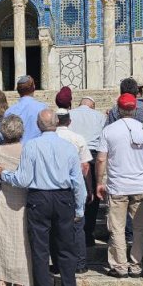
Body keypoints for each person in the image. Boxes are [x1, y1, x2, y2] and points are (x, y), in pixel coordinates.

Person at [0, 109, 86, 286]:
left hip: (39, 198)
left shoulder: (32, 146)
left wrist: (4, 175)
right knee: (66, 250)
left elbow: (23, 179)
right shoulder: (69, 147)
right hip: (63, 198)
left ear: (38, 125)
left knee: (40, 250)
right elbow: (78, 182)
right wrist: (79, 207)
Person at [97, 93, 143, 278]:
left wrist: (99, 182)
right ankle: (136, 264)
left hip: (117, 186)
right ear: (135, 109)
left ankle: (120, 265)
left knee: (116, 227)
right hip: (140, 185)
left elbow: (101, 159)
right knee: (141, 228)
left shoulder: (109, 130)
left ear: (118, 108)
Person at [0, 116, 32, 286]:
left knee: (0, 243)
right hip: (22, 202)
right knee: (22, 244)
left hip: (0, 203)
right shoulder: (27, 151)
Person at [55, 108, 91, 274]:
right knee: (77, 227)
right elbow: (85, 167)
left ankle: (58, 263)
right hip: (74, 186)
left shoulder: (50, 138)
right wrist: (88, 188)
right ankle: (80, 264)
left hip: (55, 188)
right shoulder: (78, 138)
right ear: (69, 121)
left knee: (56, 228)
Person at [69, 96, 107, 246]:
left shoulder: (71, 114)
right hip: (93, 155)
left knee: (75, 194)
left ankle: (75, 233)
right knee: (92, 198)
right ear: (93, 105)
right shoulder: (100, 116)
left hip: (75, 154)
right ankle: (88, 234)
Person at [4, 75, 46, 143]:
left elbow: (3, 134)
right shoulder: (43, 108)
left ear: (18, 90)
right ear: (34, 88)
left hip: (17, 151)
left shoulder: (9, 111)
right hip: (37, 150)